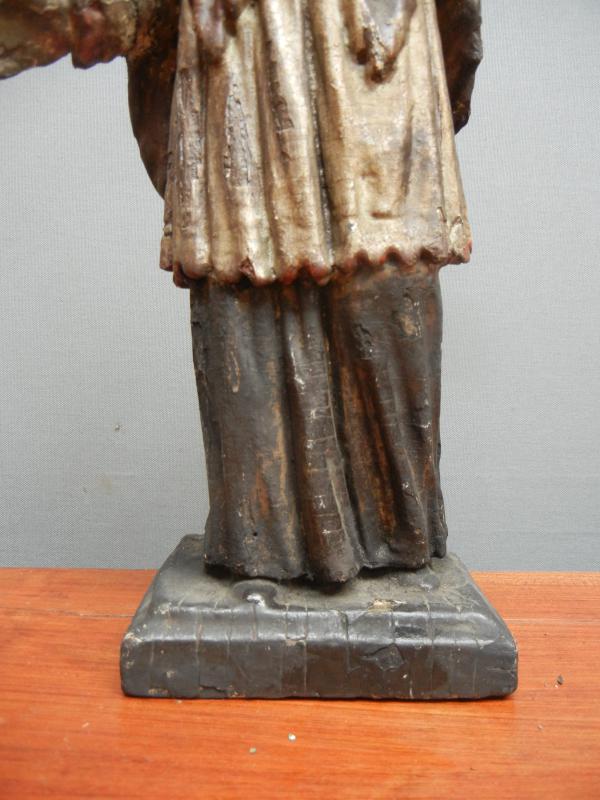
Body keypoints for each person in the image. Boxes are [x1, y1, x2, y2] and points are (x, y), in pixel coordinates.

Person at [0, 0, 482, 582]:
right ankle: (269, 543)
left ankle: (397, 537)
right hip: (244, 56)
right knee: (246, 274)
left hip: (369, 46)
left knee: (385, 270)